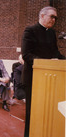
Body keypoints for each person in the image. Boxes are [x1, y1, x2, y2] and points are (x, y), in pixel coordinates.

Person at [21, 6, 65, 137]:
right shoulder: (30, 30)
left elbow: (56, 53)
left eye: (55, 18)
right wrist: (45, 63)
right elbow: (26, 55)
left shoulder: (51, 33)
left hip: (50, 79)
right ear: (42, 16)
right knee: (33, 112)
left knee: (48, 111)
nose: (54, 20)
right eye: (52, 16)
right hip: (34, 79)